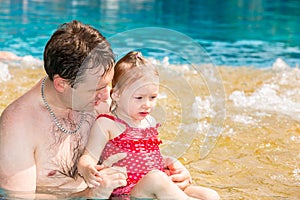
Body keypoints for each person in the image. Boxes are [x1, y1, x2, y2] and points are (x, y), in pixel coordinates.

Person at [0, 21, 194, 199]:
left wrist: (171, 169)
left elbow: (138, 147)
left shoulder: (102, 99)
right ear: (61, 84)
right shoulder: (18, 127)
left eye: (107, 85)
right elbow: (17, 198)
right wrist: (90, 194)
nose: (106, 96)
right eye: (95, 89)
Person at [78, 51, 220, 200]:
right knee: (156, 179)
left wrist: (169, 161)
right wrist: (88, 169)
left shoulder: (149, 121)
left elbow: (145, 156)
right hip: (127, 192)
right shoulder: (107, 123)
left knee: (210, 195)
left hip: (155, 185)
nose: (147, 105)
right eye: (139, 98)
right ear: (117, 95)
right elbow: (87, 158)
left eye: (152, 97)